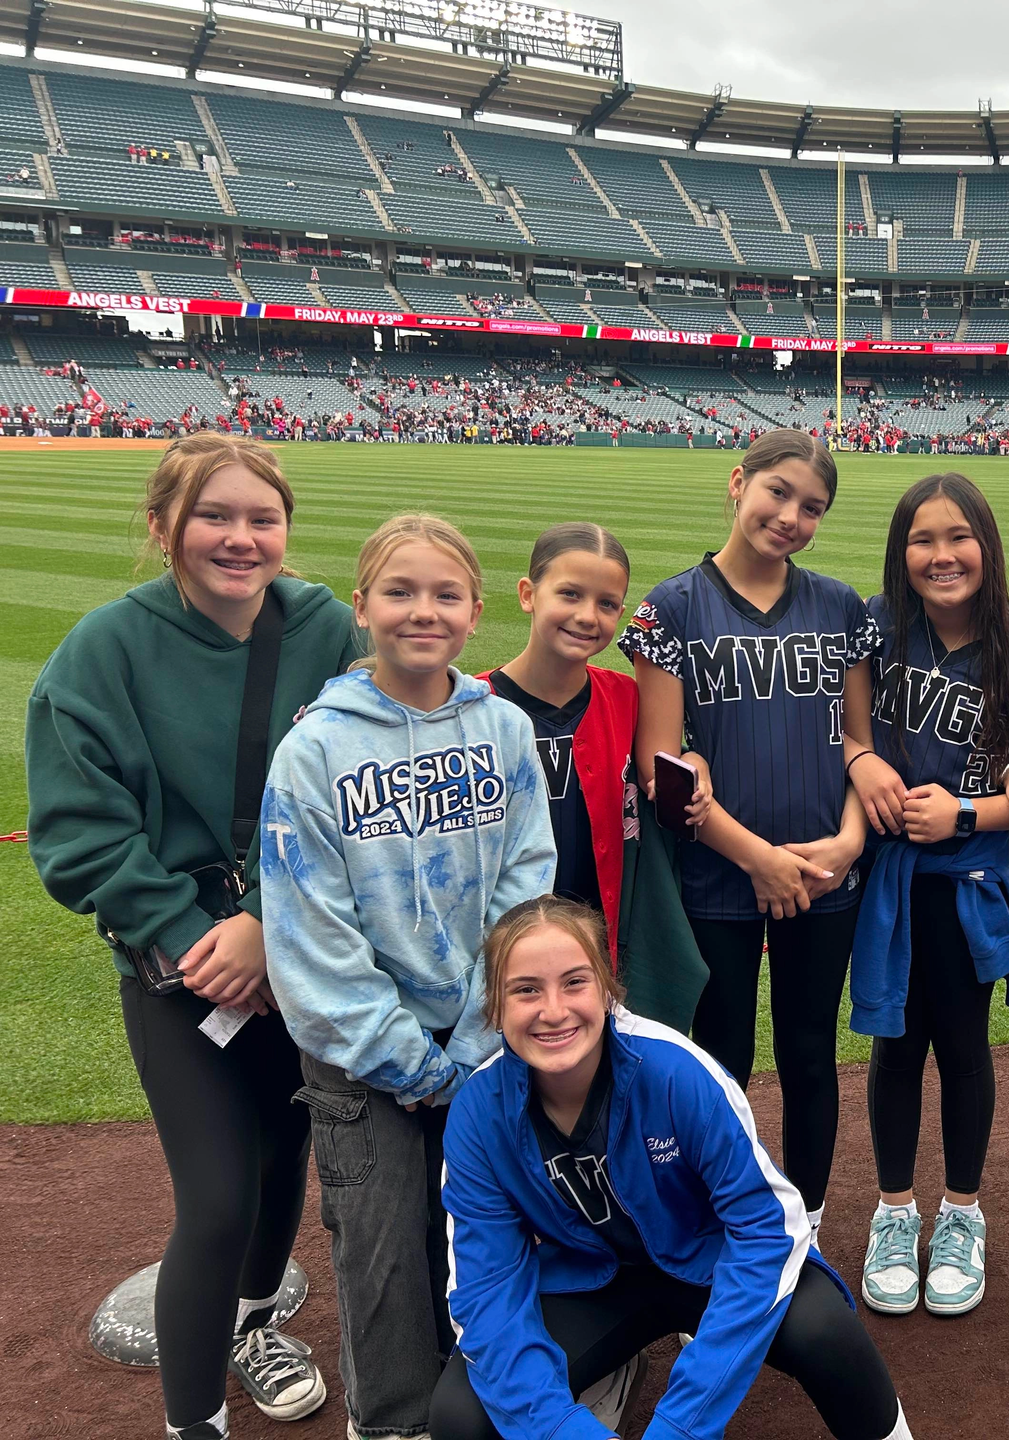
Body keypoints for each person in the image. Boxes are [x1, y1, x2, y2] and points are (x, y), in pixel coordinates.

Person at [26, 434, 354, 1440]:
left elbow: (361, 779)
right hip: (180, 974)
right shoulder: (103, 650)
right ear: (164, 526)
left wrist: (268, 921)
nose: (241, 538)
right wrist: (193, 935)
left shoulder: (324, 628)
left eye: (262, 518)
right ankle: (192, 1422)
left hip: (299, 953)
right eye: (215, 516)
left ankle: (254, 1328)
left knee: (282, 1160)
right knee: (216, 1200)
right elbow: (80, 833)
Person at [260, 514, 557, 1439]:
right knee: (382, 1256)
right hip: (361, 1061)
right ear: (361, 608)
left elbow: (524, 879)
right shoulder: (315, 751)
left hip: (481, 1037)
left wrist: (477, 1033)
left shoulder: (503, 728)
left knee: (480, 1237)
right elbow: (312, 936)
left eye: (444, 594)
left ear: (474, 612)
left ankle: (476, 1407)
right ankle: (388, 1422)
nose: (421, 611)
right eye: (399, 591)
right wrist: (414, 1061)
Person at [431, 896, 912, 1440]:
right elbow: (487, 1295)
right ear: (493, 1008)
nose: (553, 1010)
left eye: (574, 982)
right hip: (592, 1280)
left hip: (713, 1261)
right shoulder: (477, 1114)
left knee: (826, 1331)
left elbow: (768, 1230)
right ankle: (606, 1381)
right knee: (460, 1416)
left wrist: (680, 1426)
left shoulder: (676, 1071)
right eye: (525, 990)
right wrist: (563, 1429)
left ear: (608, 990)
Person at [621, 430, 875, 1245]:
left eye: (813, 508)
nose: (791, 516)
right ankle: (727, 1226)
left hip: (824, 873)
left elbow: (862, 747)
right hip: (721, 876)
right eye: (779, 493)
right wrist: (756, 857)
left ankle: (805, 1224)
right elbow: (659, 770)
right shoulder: (672, 606)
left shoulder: (840, 607)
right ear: (739, 483)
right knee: (718, 1061)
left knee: (809, 1053)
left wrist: (848, 842)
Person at [843, 472, 1009, 1318]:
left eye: (957, 537)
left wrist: (969, 810)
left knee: (965, 1048)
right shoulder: (874, 627)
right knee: (895, 1046)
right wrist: (862, 761)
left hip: (967, 881)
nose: (941, 556)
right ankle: (895, 1212)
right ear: (902, 553)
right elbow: (842, 732)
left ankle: (965, 1214)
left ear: (987, 543)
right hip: (886, 882)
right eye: (921, 540)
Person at [479, 521, 707, 1031]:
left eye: (607, 604)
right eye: (570, 594)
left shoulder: (626, 698)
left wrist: (695, 763)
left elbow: (666, 762)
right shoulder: (472, 706)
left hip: (600, 941)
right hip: (497, 943)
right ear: (527, 594)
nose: (588, 616)